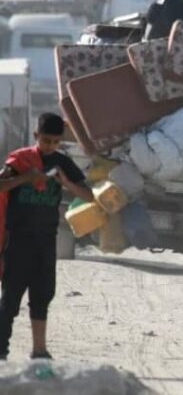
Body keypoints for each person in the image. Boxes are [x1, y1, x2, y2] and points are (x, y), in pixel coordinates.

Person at [0, 113, 94, 360]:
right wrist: (26, 178)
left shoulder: (63, 163)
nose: (50, 146)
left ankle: (39, 350)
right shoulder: (21, 160)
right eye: (45, 140)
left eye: (55, 142)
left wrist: (66, 183)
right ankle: (1, 351)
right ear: (36, 136)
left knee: (42, 296)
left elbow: (89, 196)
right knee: (10, 298)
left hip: (45, 240)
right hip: (18, 240)